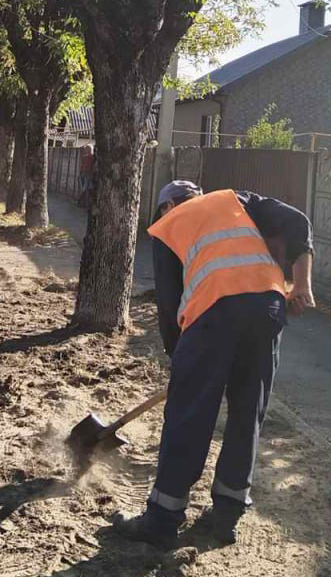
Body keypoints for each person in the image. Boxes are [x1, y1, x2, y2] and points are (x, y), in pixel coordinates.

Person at [113, 180, 316, 549]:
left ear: (166, 206)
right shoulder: (237, 200)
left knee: (189, 415)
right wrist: (301, 284)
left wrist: (182, 365)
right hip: (268, 310)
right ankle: (226, 516)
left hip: (213, 314)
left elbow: (171, 304)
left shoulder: (168, 226)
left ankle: (162, 519)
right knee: (246, 413)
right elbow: (299, 222)